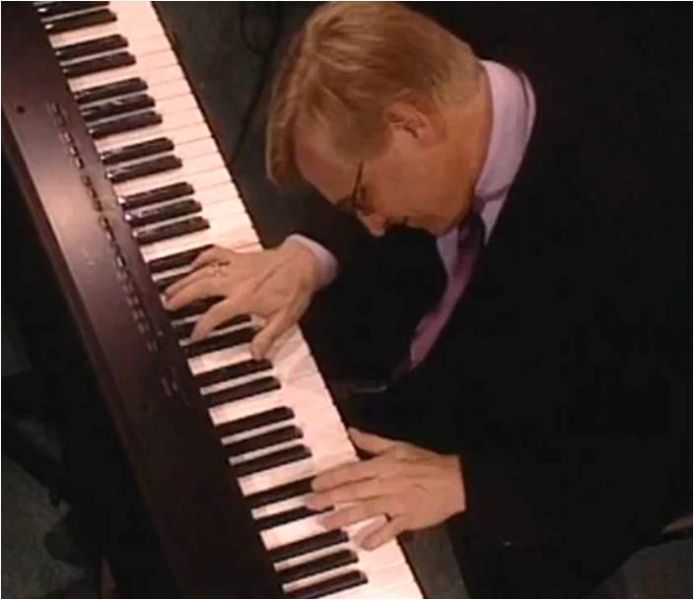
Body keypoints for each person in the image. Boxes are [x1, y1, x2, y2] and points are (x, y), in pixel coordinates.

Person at [164, 3, 689, 596]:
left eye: (362, 199)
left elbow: (668, 457)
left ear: (413, 125)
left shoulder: (648, 224)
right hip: (413, 358)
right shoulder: (436, 49)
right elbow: (355, 136)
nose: (372, 225)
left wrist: (468, 484)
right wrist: (308, 255)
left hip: (527, 476)